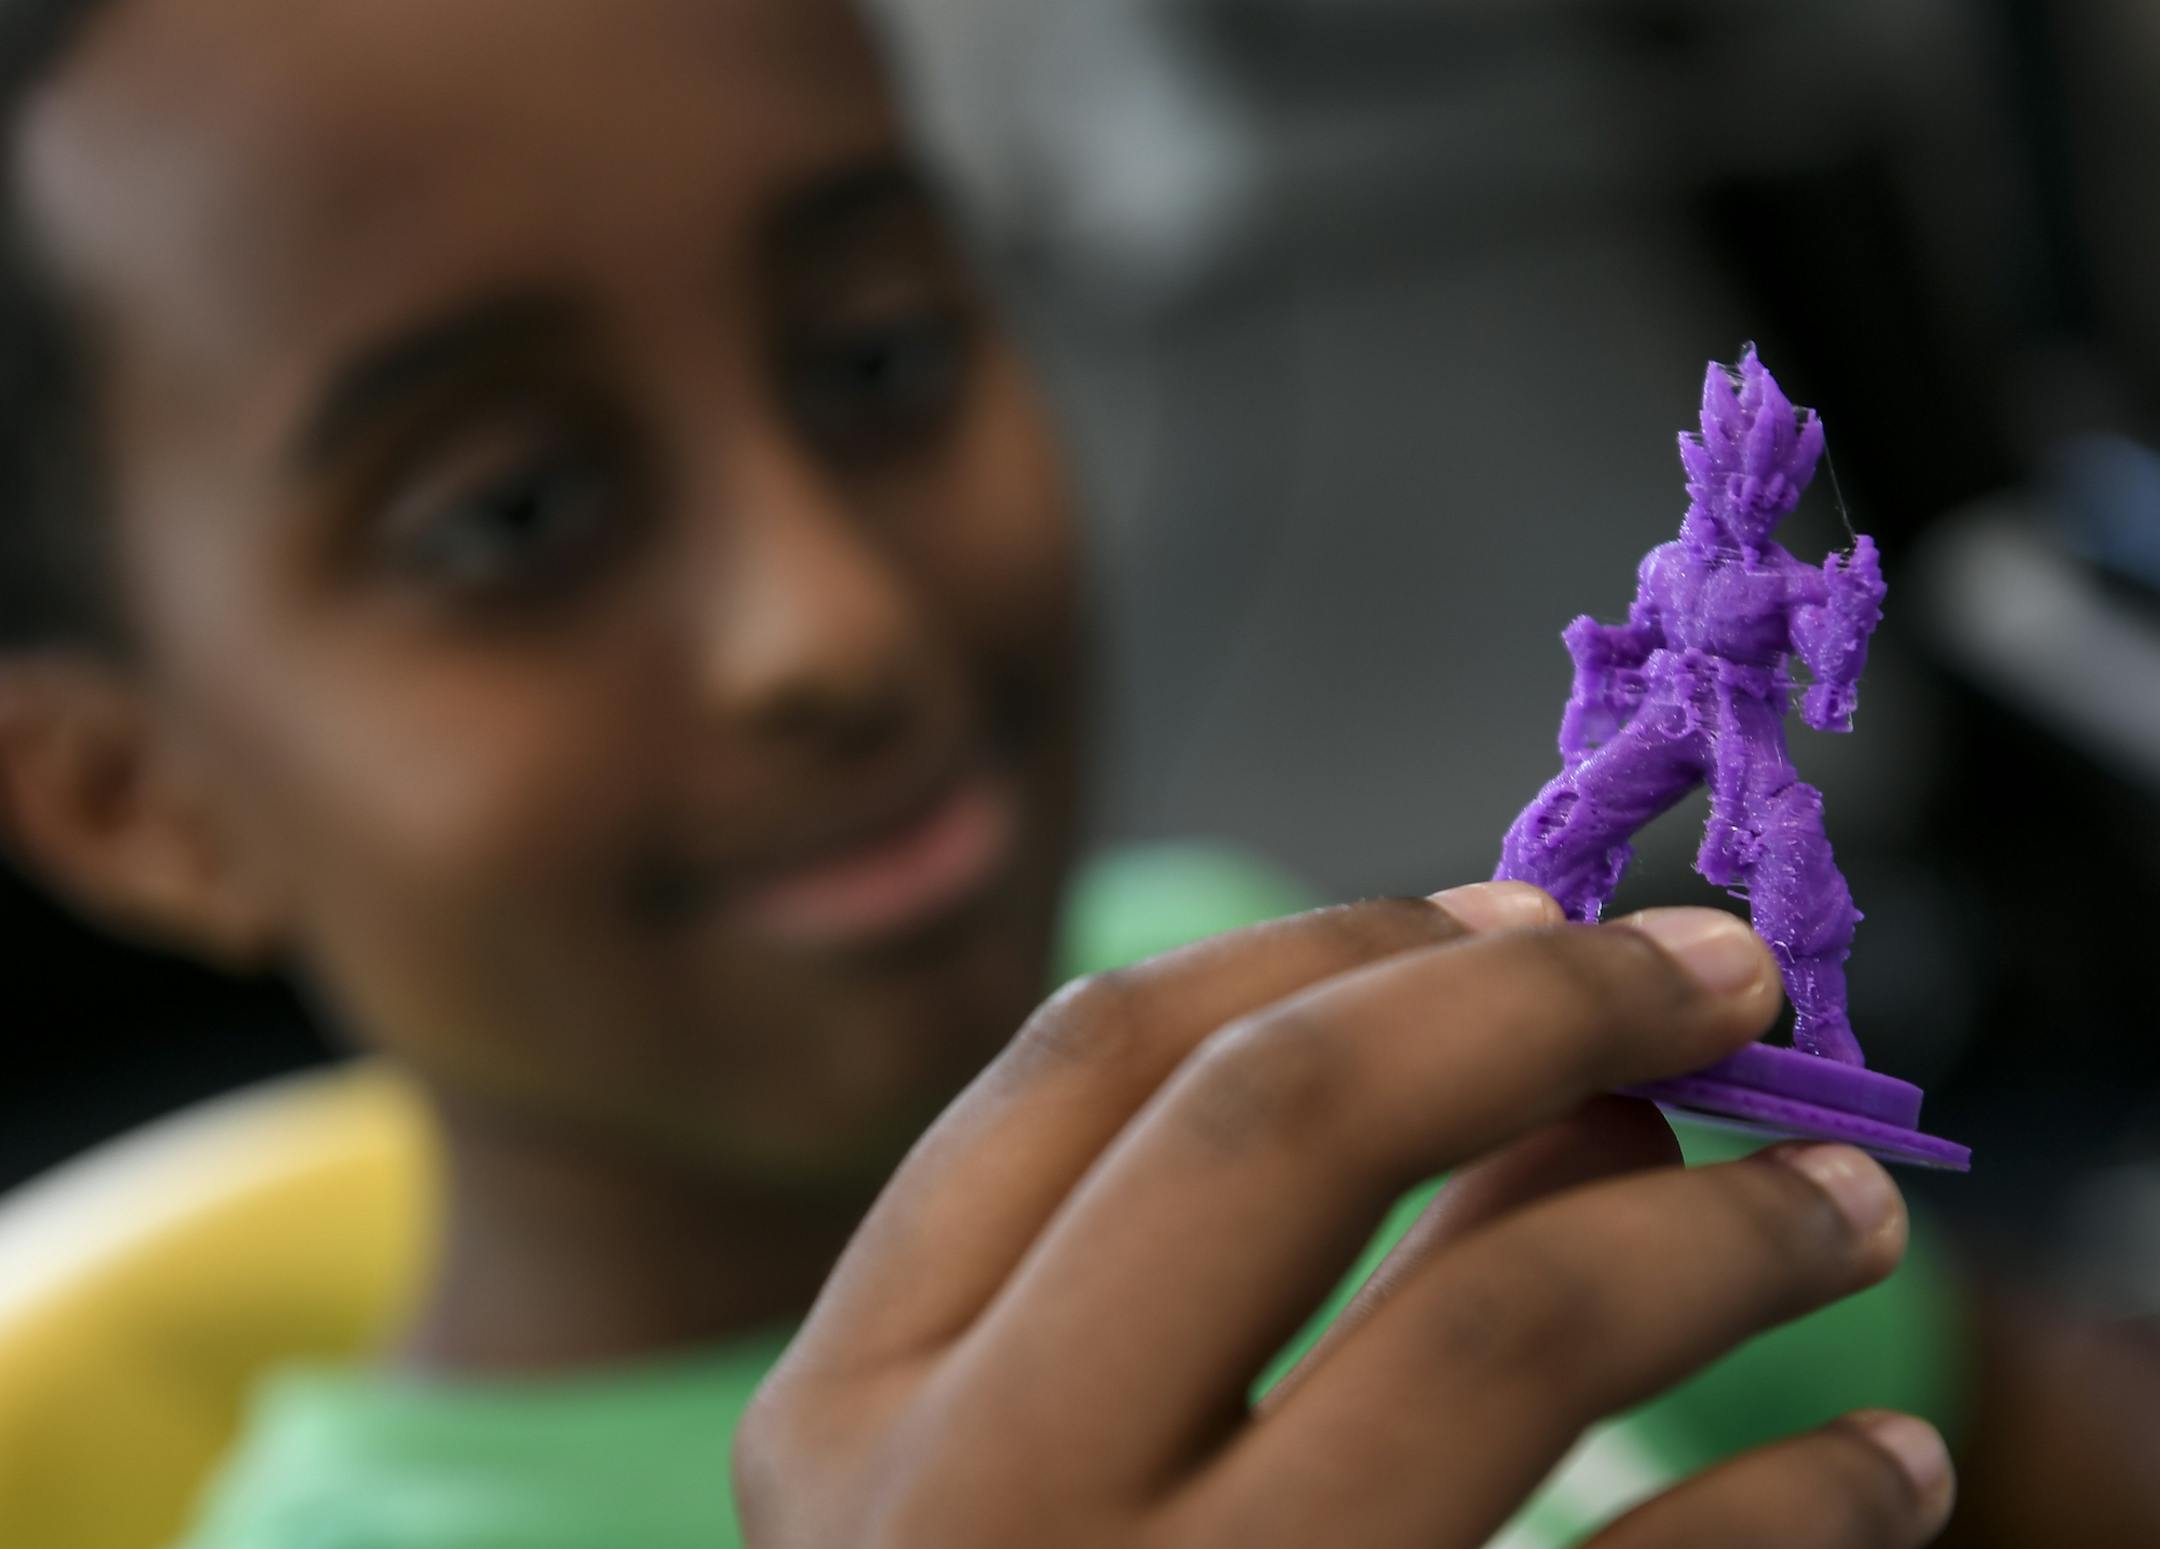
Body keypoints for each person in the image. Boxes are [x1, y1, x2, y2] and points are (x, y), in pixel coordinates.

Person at [0, 0, 2133, 1545]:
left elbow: (2023, 1426)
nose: (829, 625)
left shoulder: (1237, 993)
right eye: (509, 522)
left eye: (879, 362)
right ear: (133, 797)